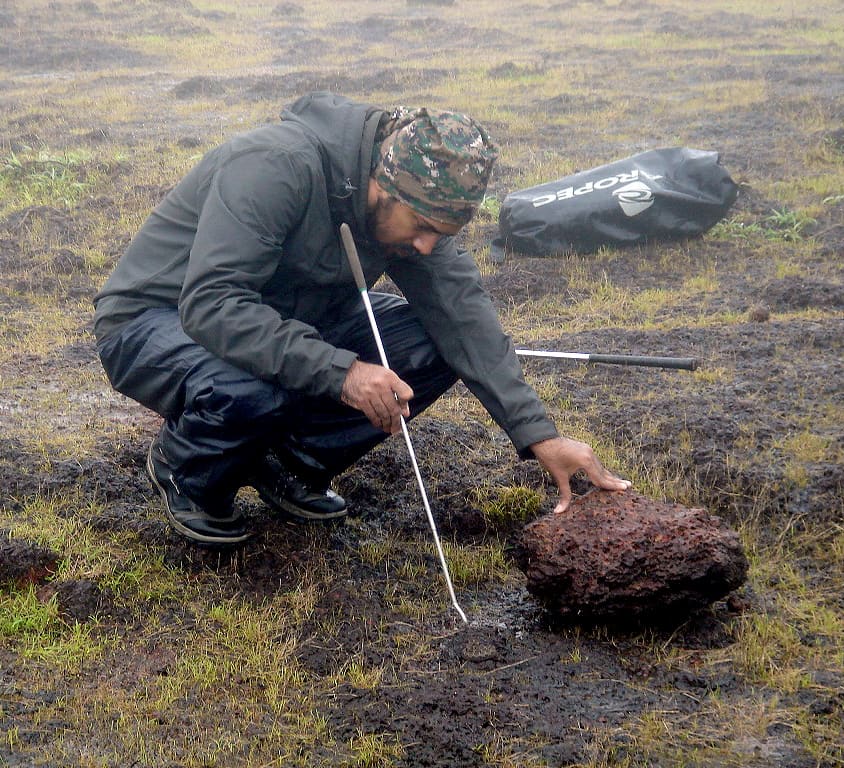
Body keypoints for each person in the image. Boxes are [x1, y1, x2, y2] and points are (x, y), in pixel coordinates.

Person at [93, 92, 630, 547]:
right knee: (252, 390)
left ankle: (285, 464)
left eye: (440, 233)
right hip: (159, 319)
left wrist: (540, 436)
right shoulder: (274, 165)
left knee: (432, 342)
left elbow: (466, 321)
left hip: (288, 316)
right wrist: (342, 373)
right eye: (421, 225)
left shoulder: (410, 209)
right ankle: (186, 466)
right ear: (383, 183)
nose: (425, 245)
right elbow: (213, 305)